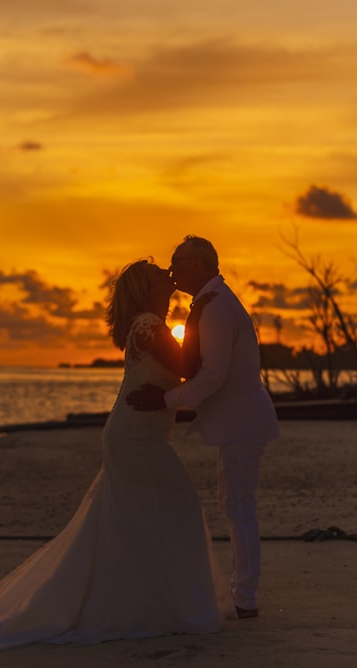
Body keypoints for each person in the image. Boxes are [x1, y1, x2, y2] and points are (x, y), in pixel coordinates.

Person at [0, 259, 232, 651]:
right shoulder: (147, 326)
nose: (165, 274)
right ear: (144, 287)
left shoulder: (148, 324)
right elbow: (188, 366)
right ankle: (171, 606)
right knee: (178, 506)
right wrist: (199, 311)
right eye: (156, 272)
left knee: (133, 520)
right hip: (136, 437)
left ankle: (155, 605)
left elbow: (185, 369)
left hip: (140, 434)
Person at [126, 235, 280, 620]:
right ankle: (242, 592)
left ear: (197, 263)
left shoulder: (216, 307)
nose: (172, 271)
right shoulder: (212, 304)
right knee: (235, 503)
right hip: (237, 420)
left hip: (242, 421)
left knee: (239, 506)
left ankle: (245, 596)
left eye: (176, 263)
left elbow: (212, 375)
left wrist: (165, 401)